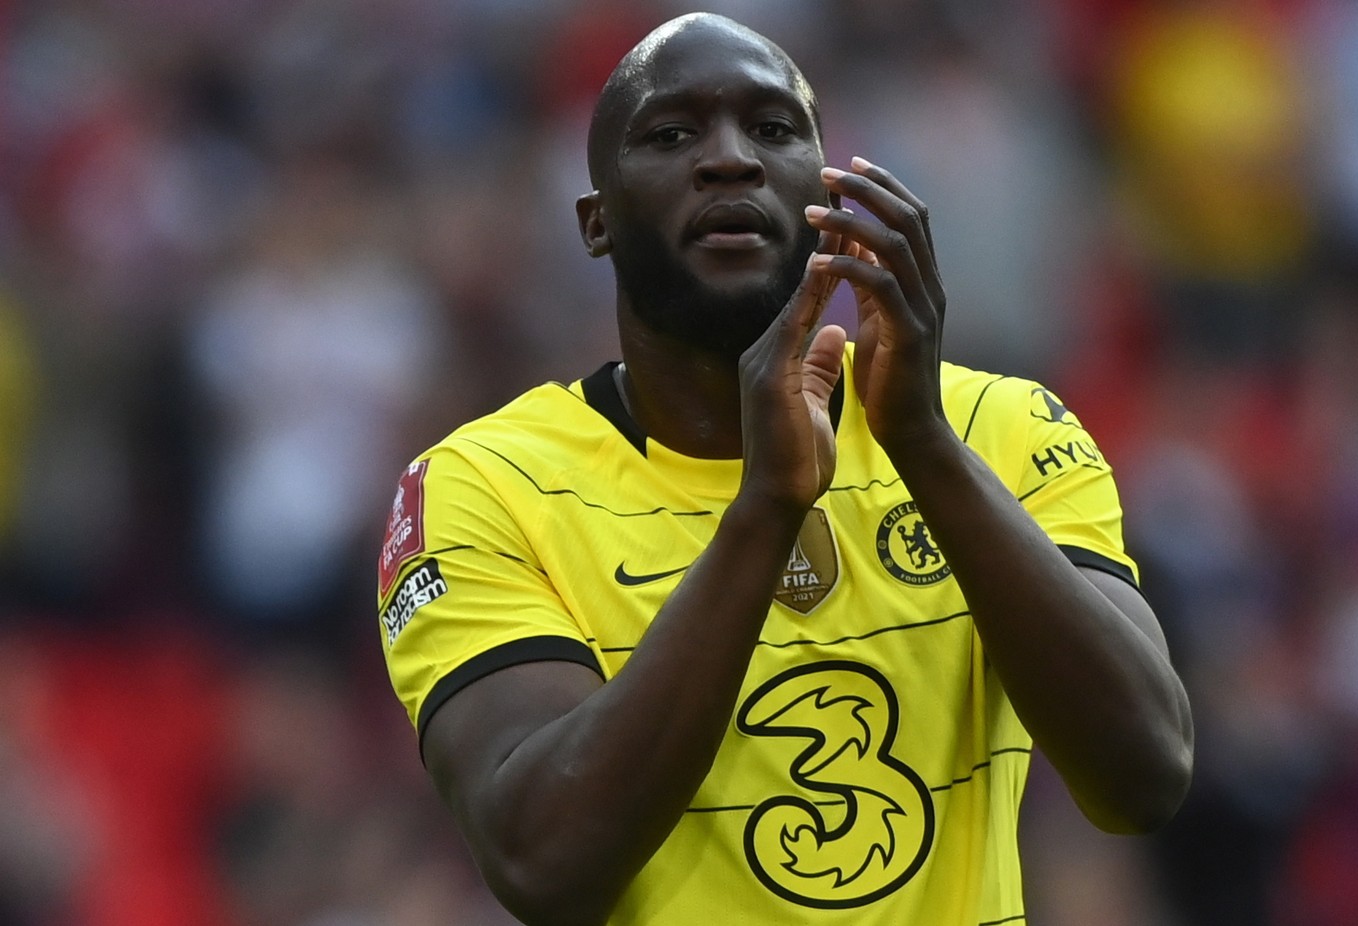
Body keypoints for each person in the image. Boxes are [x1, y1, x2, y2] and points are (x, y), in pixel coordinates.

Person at [376, 13, 1193, 925]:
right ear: (596, 222)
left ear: (830, 189)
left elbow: (1145, 776)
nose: (730, 160)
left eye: (772, 129)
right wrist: (764, 507)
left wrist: (925, 448)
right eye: (672, 134)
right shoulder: (483, 487)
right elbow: (544, 862)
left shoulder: (999, 431)